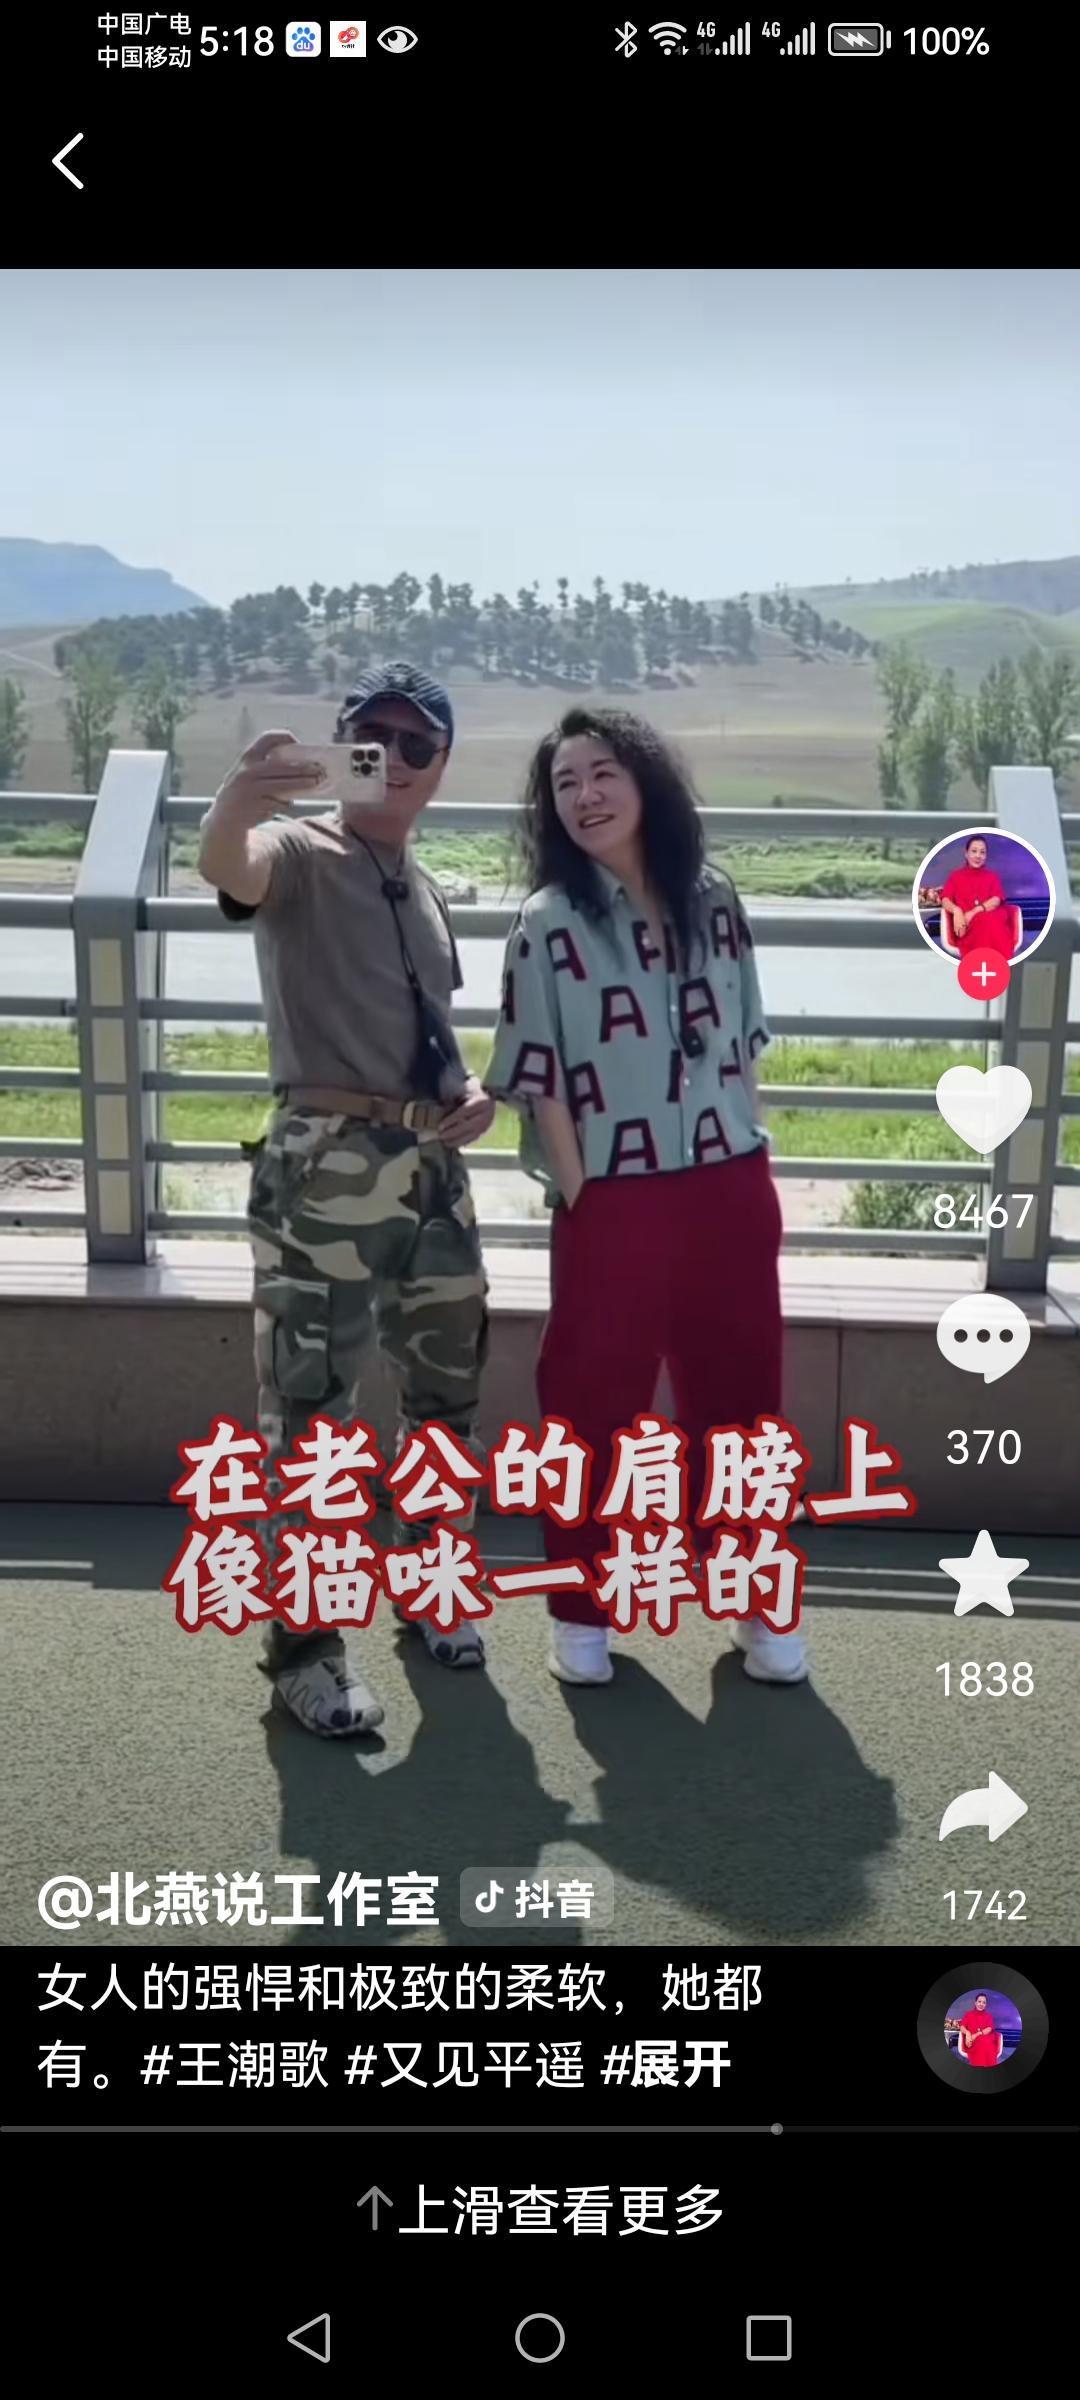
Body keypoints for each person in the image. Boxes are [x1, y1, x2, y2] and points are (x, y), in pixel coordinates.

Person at [197, 664, 496, 1739]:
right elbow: (228, 865)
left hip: (432, 1177)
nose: (396, 759)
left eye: (420, 744)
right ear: (344, 743)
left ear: (441, 766)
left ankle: (431, 1581)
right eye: (376, 736)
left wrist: (466, 1092)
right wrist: (236, 802)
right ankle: (307, 1652)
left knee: (446, 1398)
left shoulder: (424, 885)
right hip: (324, 1175)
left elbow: (428, 1033)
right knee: (313, 1417)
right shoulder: (299, 853)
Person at [483, 706, 807, 1689]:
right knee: (590, 1406)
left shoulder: (716, 898)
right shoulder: (546, 923)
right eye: (565, 783)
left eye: (602, 774)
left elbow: (746, 1043)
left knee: (742, 1405)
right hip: (613, 1201)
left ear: (645, 782)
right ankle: (581, 1614)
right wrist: (583, 1190)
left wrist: (748, 1152)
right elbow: (538, 1077)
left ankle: (755, 1602)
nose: (584, 796)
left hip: (729, 1188)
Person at [938, 835, 1013, 958]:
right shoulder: (955, 876)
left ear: (986, 856)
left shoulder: (992, 876)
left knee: (989, 920)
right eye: (974, 851)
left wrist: (975, 911)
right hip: (968, 925)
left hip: (993, 920)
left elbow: (996, 899)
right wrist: (957, 911)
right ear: (966, 854)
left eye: (982, 852)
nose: (978, 856)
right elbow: (945, 900)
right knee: (982, 922)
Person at [957, 1992, 1004, 2068]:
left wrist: (977, 2034)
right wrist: (968, 2033)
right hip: (972, 2040)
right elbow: (962, 2027)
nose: (981, 2004)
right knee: (980, 2042)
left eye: (984, 2002)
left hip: (986, 2037)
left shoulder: (988, 2016)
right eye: (979, 2001)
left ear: (985, 2005)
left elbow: (989, 2029)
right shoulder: (968, 2014)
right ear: (975, 2003)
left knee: (985, 2041)